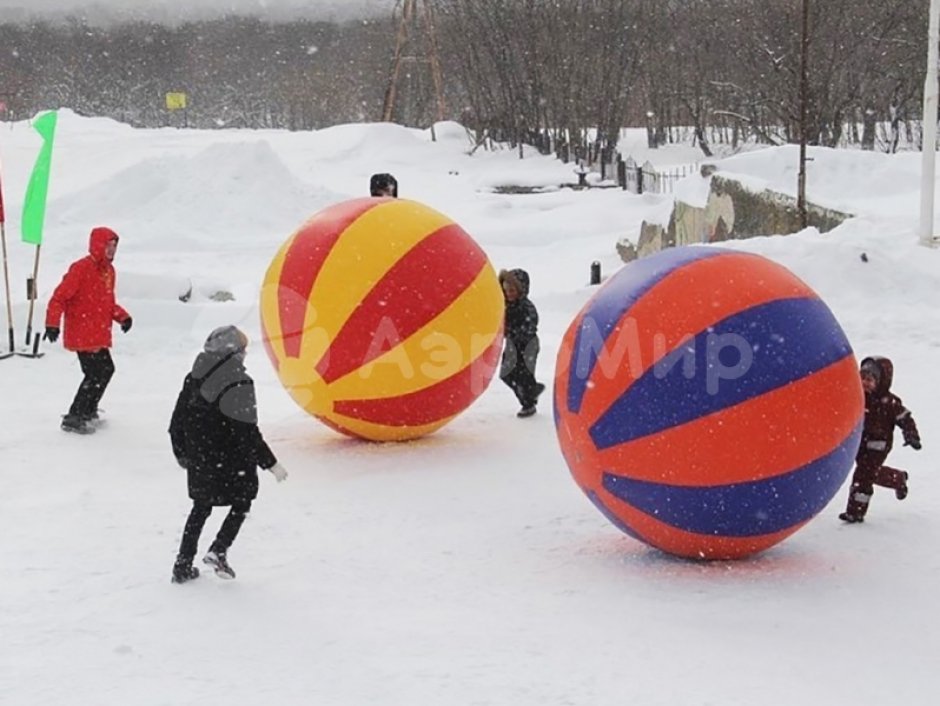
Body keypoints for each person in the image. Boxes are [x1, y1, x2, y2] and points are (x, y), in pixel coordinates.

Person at [168, 325, 288, 583]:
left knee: (200, 508)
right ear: (233, 353)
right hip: (232, 461)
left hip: (200, 459)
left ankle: (182, 565)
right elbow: (247, 432)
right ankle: (219, 549)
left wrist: (182, 452)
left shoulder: (194, 377)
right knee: (242, 503)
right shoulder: (240, 382)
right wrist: (271, 464)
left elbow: (177, 420)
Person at [44, 226, 132, 434]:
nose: (111, 250)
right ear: (98, 245)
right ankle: (74, 416)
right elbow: (59, 298)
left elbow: (107, 303)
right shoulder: (81, 268)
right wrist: (52, 323)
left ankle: (88, 410)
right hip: (81, 332)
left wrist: (122, 317)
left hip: (97, 333)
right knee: (95, 374)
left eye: (114, 246)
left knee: (105, 371)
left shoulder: (109, 271)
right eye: (108, 245)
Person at [839, 356, 921, 523]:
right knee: (870, 473)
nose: (865, 383)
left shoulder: (889, 403)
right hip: (860, 442)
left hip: (879, 445)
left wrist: (911, 435)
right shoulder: (857, 396)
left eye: (870, 380)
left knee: (863, 476)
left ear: (882, 382)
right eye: (862, 378)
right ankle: (897, 479)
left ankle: (855, 512)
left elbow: (905, 418)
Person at [499, 268, 545, 418]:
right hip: (513, 345)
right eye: (505, 290)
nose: (508, 293)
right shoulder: (504, 305)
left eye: (512, 290)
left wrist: (512, 332)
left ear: (521, 290)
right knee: (506, 375)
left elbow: (530, 327)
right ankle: (532, 391)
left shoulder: (526, 307)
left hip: (528, 345)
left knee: (523, 375)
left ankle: (528, 403)